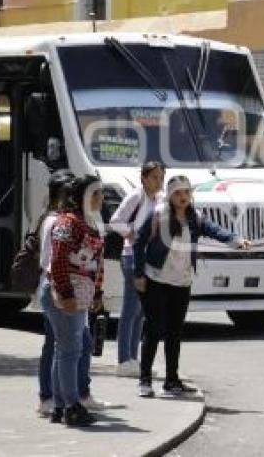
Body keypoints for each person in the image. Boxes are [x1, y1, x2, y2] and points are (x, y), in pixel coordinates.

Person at [133, 175, 250, 397]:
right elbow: (139, 243)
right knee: (154, 329)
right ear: (170, 196)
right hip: (156, 279)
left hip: (182, 281)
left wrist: (236, 240)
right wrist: (138, 274)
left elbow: (215, 230)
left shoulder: (195, 217)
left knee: (175, 332)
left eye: (186, 192)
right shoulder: (158, 214)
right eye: (178, 193)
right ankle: (145, 380)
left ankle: (171, 381)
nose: (183, 197)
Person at [39, 174, 105, 427]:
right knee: (69, 351)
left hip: (78, 295)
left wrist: (97, 292)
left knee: (65, 350)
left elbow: (97, 264)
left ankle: (59, 406)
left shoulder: (90, 222)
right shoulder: (68, 222)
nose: (100, 198)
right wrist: (65, 295)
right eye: (96, 194)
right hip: (63, 294)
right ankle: (71, 406)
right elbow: (58, 262)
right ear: (83, 197)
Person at [109, 161, 165, 377]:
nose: (158, 182)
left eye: (161, 178)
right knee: (130, 308)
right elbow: (116, 221)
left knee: (141, 311)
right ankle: (124, 360)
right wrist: (131, 234)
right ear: (143, 178)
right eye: (154, 177)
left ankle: (134, 358)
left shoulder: (160, 199)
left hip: (149, 259)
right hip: (132, 256)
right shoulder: (136, 196)